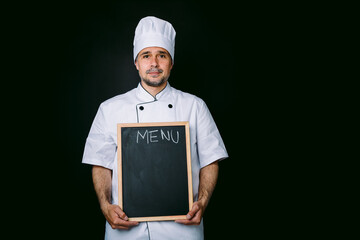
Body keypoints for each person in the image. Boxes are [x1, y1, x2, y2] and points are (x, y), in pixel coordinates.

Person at [82, 16, 228, 239]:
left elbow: (211, 159)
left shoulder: (195, 106)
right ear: (136, 62)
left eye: (162, 55)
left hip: (182, 229)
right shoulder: (109, 109)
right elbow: (100, 164)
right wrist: (105, 206)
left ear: (171, 62)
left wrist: (203, 202)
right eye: (146, 56)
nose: (154, 63)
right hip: (125, 229)